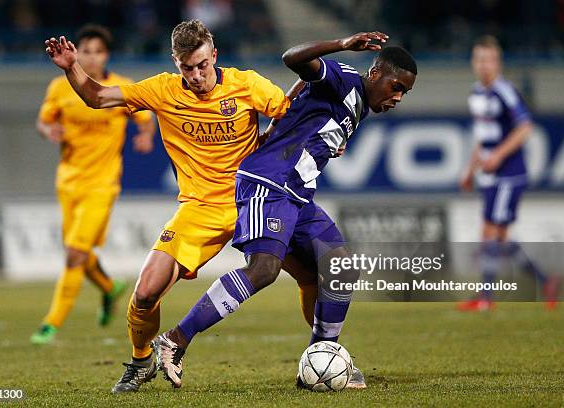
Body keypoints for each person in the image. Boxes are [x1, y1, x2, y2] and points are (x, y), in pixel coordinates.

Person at [44, 19, 335, 393]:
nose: (196, 75)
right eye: (187, 67)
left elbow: (290, 113)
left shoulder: (247, 84)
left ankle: (323, 353)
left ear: (215, 55)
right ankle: (140, 360)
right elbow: (98, 98)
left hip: (256, 198)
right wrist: (73, 68)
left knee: (311, 275)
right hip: (201, 208)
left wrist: (322, 137)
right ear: (175, 62)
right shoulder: (162, 90)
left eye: (202, 65)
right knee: (145, 293)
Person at [152, 33, 417, 389]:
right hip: (269, 182)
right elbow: (293, 58)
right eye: (396, 86)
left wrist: (304, 130)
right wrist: (342, 43)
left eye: (405, 92)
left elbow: (302, 106)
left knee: (340, 266)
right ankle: (175, 340)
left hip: (297, 194)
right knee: (263, 271)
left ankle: (321, 359)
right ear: (375, 73)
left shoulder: (358, 103)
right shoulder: (343, 78)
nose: (397, 96)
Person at [31, 24, 155, 345]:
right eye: (86, 50)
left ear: (106, 55)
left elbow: (145, 117)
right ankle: (110, 287)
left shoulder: (118, 88)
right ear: (77, 53)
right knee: (80, 254)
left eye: (98, 51)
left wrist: (144, 135)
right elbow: (44, 121)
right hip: (68, 181)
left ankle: (51, 323)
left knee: (74, 254)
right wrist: (49, 132)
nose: (92, 56)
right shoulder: (60, 88)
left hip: (103, 184)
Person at [458, 35, 560, 312]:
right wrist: (470, 168)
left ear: (498, 63)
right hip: (491, 174)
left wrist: (499, 156)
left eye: (489, 60)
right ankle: (546, 280)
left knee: (490, 231)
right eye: (479, 59)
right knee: (499, 236)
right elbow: (482, 136)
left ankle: (485, 298)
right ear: (473, 62)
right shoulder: (477, 92)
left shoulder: (505, 91)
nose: (484, 65)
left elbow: (525, 127)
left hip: (509, 173)